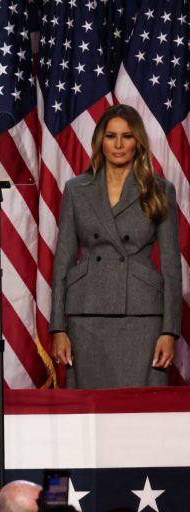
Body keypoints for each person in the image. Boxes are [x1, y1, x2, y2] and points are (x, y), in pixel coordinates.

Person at [50, 104, 181, 388]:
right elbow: (63, 262)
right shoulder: (76, 189)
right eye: (111, 136)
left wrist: (169, 331)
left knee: (140, 414)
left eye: (127, 136)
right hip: (86, 313)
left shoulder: (159, 190)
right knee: (88, 413)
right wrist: (58, 327)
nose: (119, 144)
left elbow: (172, 268)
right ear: (101, 140)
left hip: (142, 315)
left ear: (138, 142)